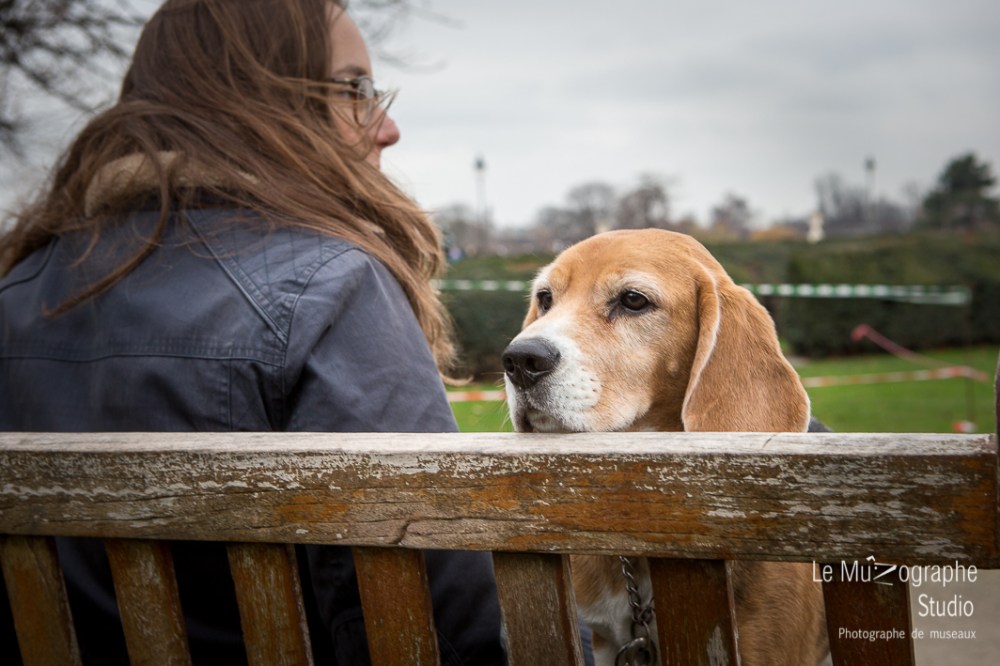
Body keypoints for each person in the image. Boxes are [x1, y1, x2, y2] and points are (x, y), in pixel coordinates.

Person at [0, 1, 507, 663]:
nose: (387, 128)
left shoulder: (17, 291)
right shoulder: (332, 289)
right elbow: (443, 626)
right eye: (355, 89)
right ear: (259, 102)